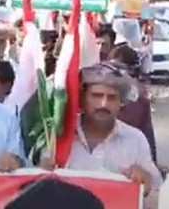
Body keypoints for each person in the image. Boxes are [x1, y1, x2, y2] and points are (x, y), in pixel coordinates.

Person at [40, 62, 162, 198]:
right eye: (97, 95)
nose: (104, 104)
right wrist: (41, 173)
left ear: (121, 102)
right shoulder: (57, 136)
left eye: (112, 98)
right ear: (82, 99)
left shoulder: (135, 139)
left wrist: (145, 181)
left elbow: (158, 194)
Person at [108, 44, 158, 163]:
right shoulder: (103, 87)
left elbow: (146, 135)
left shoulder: (138, 94)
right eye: (111, 67)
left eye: (119, 68)